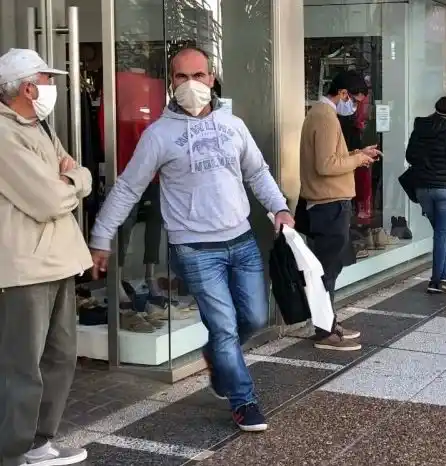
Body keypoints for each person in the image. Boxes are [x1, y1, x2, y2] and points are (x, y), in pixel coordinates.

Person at [89, 47, 294, 432]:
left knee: (254, 317)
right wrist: (101, 235)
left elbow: (257, 172)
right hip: (195, 248)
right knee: (224, 326)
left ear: (211, 78)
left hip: (242, 239)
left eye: (198, 76)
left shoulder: (233, 125)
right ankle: (243, 400)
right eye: (181, 77)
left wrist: (279, 207)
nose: (191, 84)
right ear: (171, 82)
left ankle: (217, 358)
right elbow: (128, 188)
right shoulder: (159, 135)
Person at [0, 48, 92, 466]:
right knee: (22, 365)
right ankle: (12, 451)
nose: (52, 85)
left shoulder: (38, 126)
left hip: (58, 260)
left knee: (59, 356)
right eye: (46, 79)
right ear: (27, 88)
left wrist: (69, 177)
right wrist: (72, 178)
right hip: (24, 267)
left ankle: (38, 442)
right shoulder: (5, 134)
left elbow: (72, 177)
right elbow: (48, 199)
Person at [296, 71, 379, 351]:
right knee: (326, 270)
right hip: (328, 203)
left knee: (330, 267)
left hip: (329, 202)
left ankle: (328, 323)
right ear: (343, 93)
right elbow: (326, 165)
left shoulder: (322, 114)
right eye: (354, 100)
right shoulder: (325, 116)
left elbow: (330, 159)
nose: (355, 107)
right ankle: (324, 331)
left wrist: (357, 154)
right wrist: (358, 159)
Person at [406, 96, 446, 295]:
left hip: (422, 187)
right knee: (441, 234)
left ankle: (445, 277)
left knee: (440, 234)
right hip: (445, 188)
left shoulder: (420, 125)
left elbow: (409, 155)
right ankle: (435, 281)